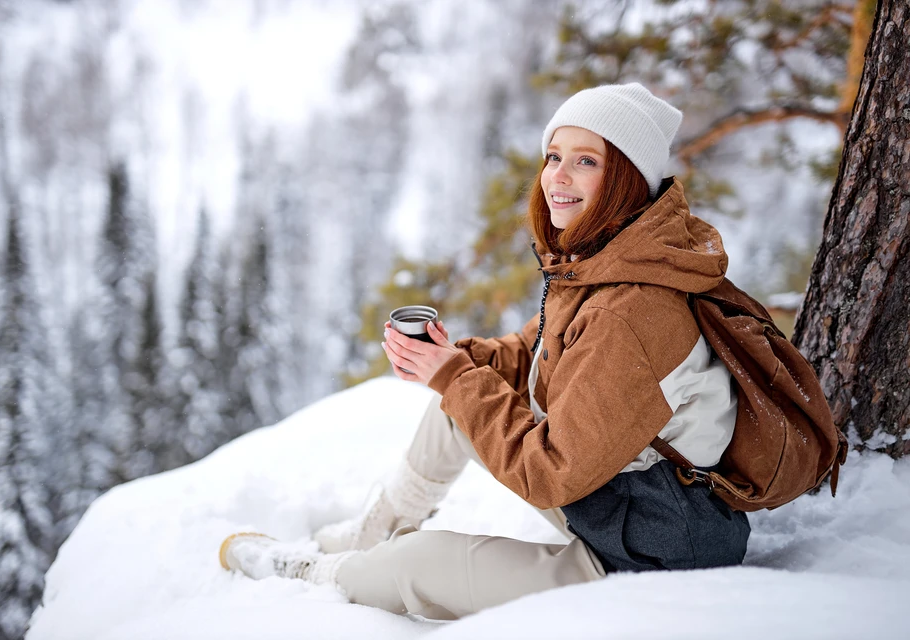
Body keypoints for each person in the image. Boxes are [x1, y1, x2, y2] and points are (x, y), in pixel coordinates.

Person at [218, 83, 751, 620]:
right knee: (459, 407)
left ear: (626, 181)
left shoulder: (631, 311)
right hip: (615, 496)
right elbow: (534, 351)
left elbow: (549, 475)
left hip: (651, 553)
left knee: (419, 565)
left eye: (585, 161)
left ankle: (312, 575)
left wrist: (455, 376)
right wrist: (456, 362)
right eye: (554, 156)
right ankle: (374, 530)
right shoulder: (613, 259)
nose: (557, 177)